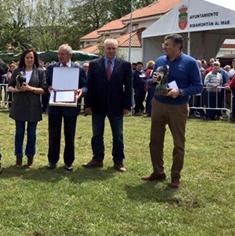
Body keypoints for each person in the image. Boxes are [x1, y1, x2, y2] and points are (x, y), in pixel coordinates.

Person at [142, 34, 203, 189]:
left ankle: (175, 176)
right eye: (164, 44)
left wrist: (180, 91)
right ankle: (158, 172)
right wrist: (152, 80)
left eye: (167, 44)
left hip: (178, 107)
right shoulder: (159, 61)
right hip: (158, 103)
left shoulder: (190, 62)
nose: (164, 47)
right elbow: (151, 82)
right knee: (155, 140)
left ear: (178, 46)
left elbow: (198, 86)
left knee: (178, 143)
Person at [83, 38, 132, 172]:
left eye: (113, 48)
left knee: (118, 135)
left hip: (117, 105)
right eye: (108, 48)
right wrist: (87, 104)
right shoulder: (94, 64)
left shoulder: (125, 65)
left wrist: (127, 105)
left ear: (117, 49)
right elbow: (89, 86)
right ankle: (97, 158)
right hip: (98, 105)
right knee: (97, 134)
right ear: (103, 49)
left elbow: (128, 87)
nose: (111, 51)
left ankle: (118, 161)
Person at [45, 44, 87, 171]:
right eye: (59, 54)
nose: (60, 56)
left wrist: (81, 91)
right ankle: (52, 160)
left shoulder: (78, 69)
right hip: (55, 106)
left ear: (70, 55)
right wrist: (48, 88)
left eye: (63, 54)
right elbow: (46, 83)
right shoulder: (52, 68)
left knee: (69, 135)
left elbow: (85, 86)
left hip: (70, 106)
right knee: (53, 134)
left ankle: (68, 161)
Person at [7, 49, 47, 168]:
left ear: (35, 59)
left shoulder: (40, 72)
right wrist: (16, 90)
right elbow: (10, 86)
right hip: (19, 105)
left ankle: (30, 158)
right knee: (19, 132)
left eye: (31, 57)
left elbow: (43, 89)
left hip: (33, 107)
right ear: (23, 59)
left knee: (31, 133)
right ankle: (18, 158)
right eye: (27, 57)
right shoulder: (17, 71)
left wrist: (30, 88)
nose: (29, 60)